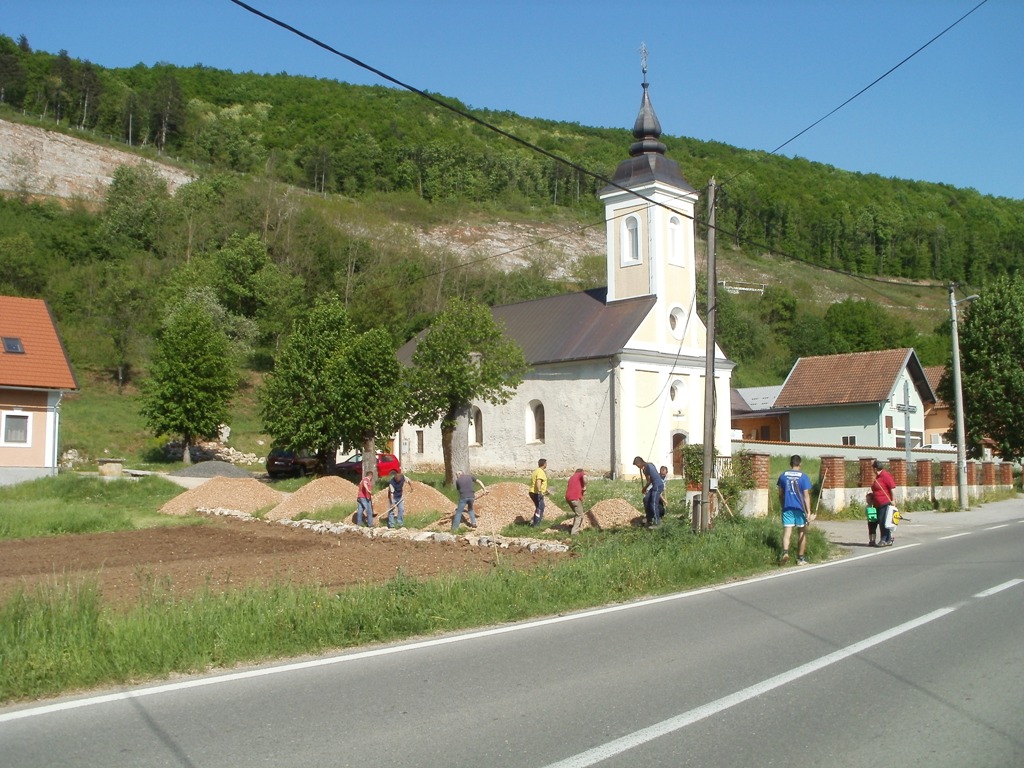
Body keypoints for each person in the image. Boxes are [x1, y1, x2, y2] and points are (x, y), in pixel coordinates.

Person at [777, 454, 812, 564]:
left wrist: (783, 505)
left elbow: (780, 494)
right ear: (800, 464)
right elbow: (806, 496)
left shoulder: (783, 475)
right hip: (800, 508)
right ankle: (800, 558)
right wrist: (809, 511)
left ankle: (785, 552)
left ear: (790, 464)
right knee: (802, 532)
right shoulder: (804, 477)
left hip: (787, 507)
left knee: (787, 532)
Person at [870, 459, 897, 546]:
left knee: (882, 521)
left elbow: (893, 488)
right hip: (877, 503)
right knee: (883, 521)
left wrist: (893, 500)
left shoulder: (885, 475)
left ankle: (883, 539)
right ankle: (889, 539)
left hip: (885, 502)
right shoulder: (877, 477)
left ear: (875, 468)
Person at [633, 456, 665, 528]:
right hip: (654, 486)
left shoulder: (649, 466)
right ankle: (649, 519)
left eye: (637, 465)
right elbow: (649, 480)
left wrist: (644, 488)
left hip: (658, 485)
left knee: (653, 503)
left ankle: (657, 522)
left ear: (640, 462)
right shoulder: (645, 469)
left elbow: (649, 480)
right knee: (646, 499)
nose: (638, 467)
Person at [566, 468, 587, 535]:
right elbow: (585, 478)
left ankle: (575, 527)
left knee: (578, 513)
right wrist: (585, 486)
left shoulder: (572, 478)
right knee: (579, 515)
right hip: (574, 498)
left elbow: (575, 488)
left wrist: (582, 496)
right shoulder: (580, 474)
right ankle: (574, 532)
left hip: (568, 498)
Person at [529, 458, 549, 526]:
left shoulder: (536, 471)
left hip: (533, 491)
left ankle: (534, 520)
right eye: (546, 463)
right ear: (544, 464)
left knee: (539, 506)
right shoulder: (540, 471)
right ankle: (536, 523)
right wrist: (540, 491)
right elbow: (538, 481)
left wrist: (544, 491)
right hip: (536, 492)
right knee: (540, 507)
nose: (546, 464)